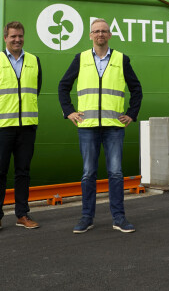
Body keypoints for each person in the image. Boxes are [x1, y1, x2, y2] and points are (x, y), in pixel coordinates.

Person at [58, 18, 143, 234]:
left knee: (115, 173)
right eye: (96, 31)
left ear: (110, 35)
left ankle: (119, 218)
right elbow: (63, 86)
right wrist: (69, 112)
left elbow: (137, 89)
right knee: (88, 173)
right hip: (87, 126)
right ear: (90, 35)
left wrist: (132, 114)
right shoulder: (81, 59)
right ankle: (87, 217)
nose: (100, 35)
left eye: (104, 31)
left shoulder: (121, 59)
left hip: (114, 126)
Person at [0, 21, 42, 234]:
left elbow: (35, 90)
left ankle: (22, 215)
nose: (17, 40)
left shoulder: (34, 61)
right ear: (5, 38)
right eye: (13, 36)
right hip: (1, 127)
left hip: (27, 127)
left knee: (23, 172)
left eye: (20, 36)